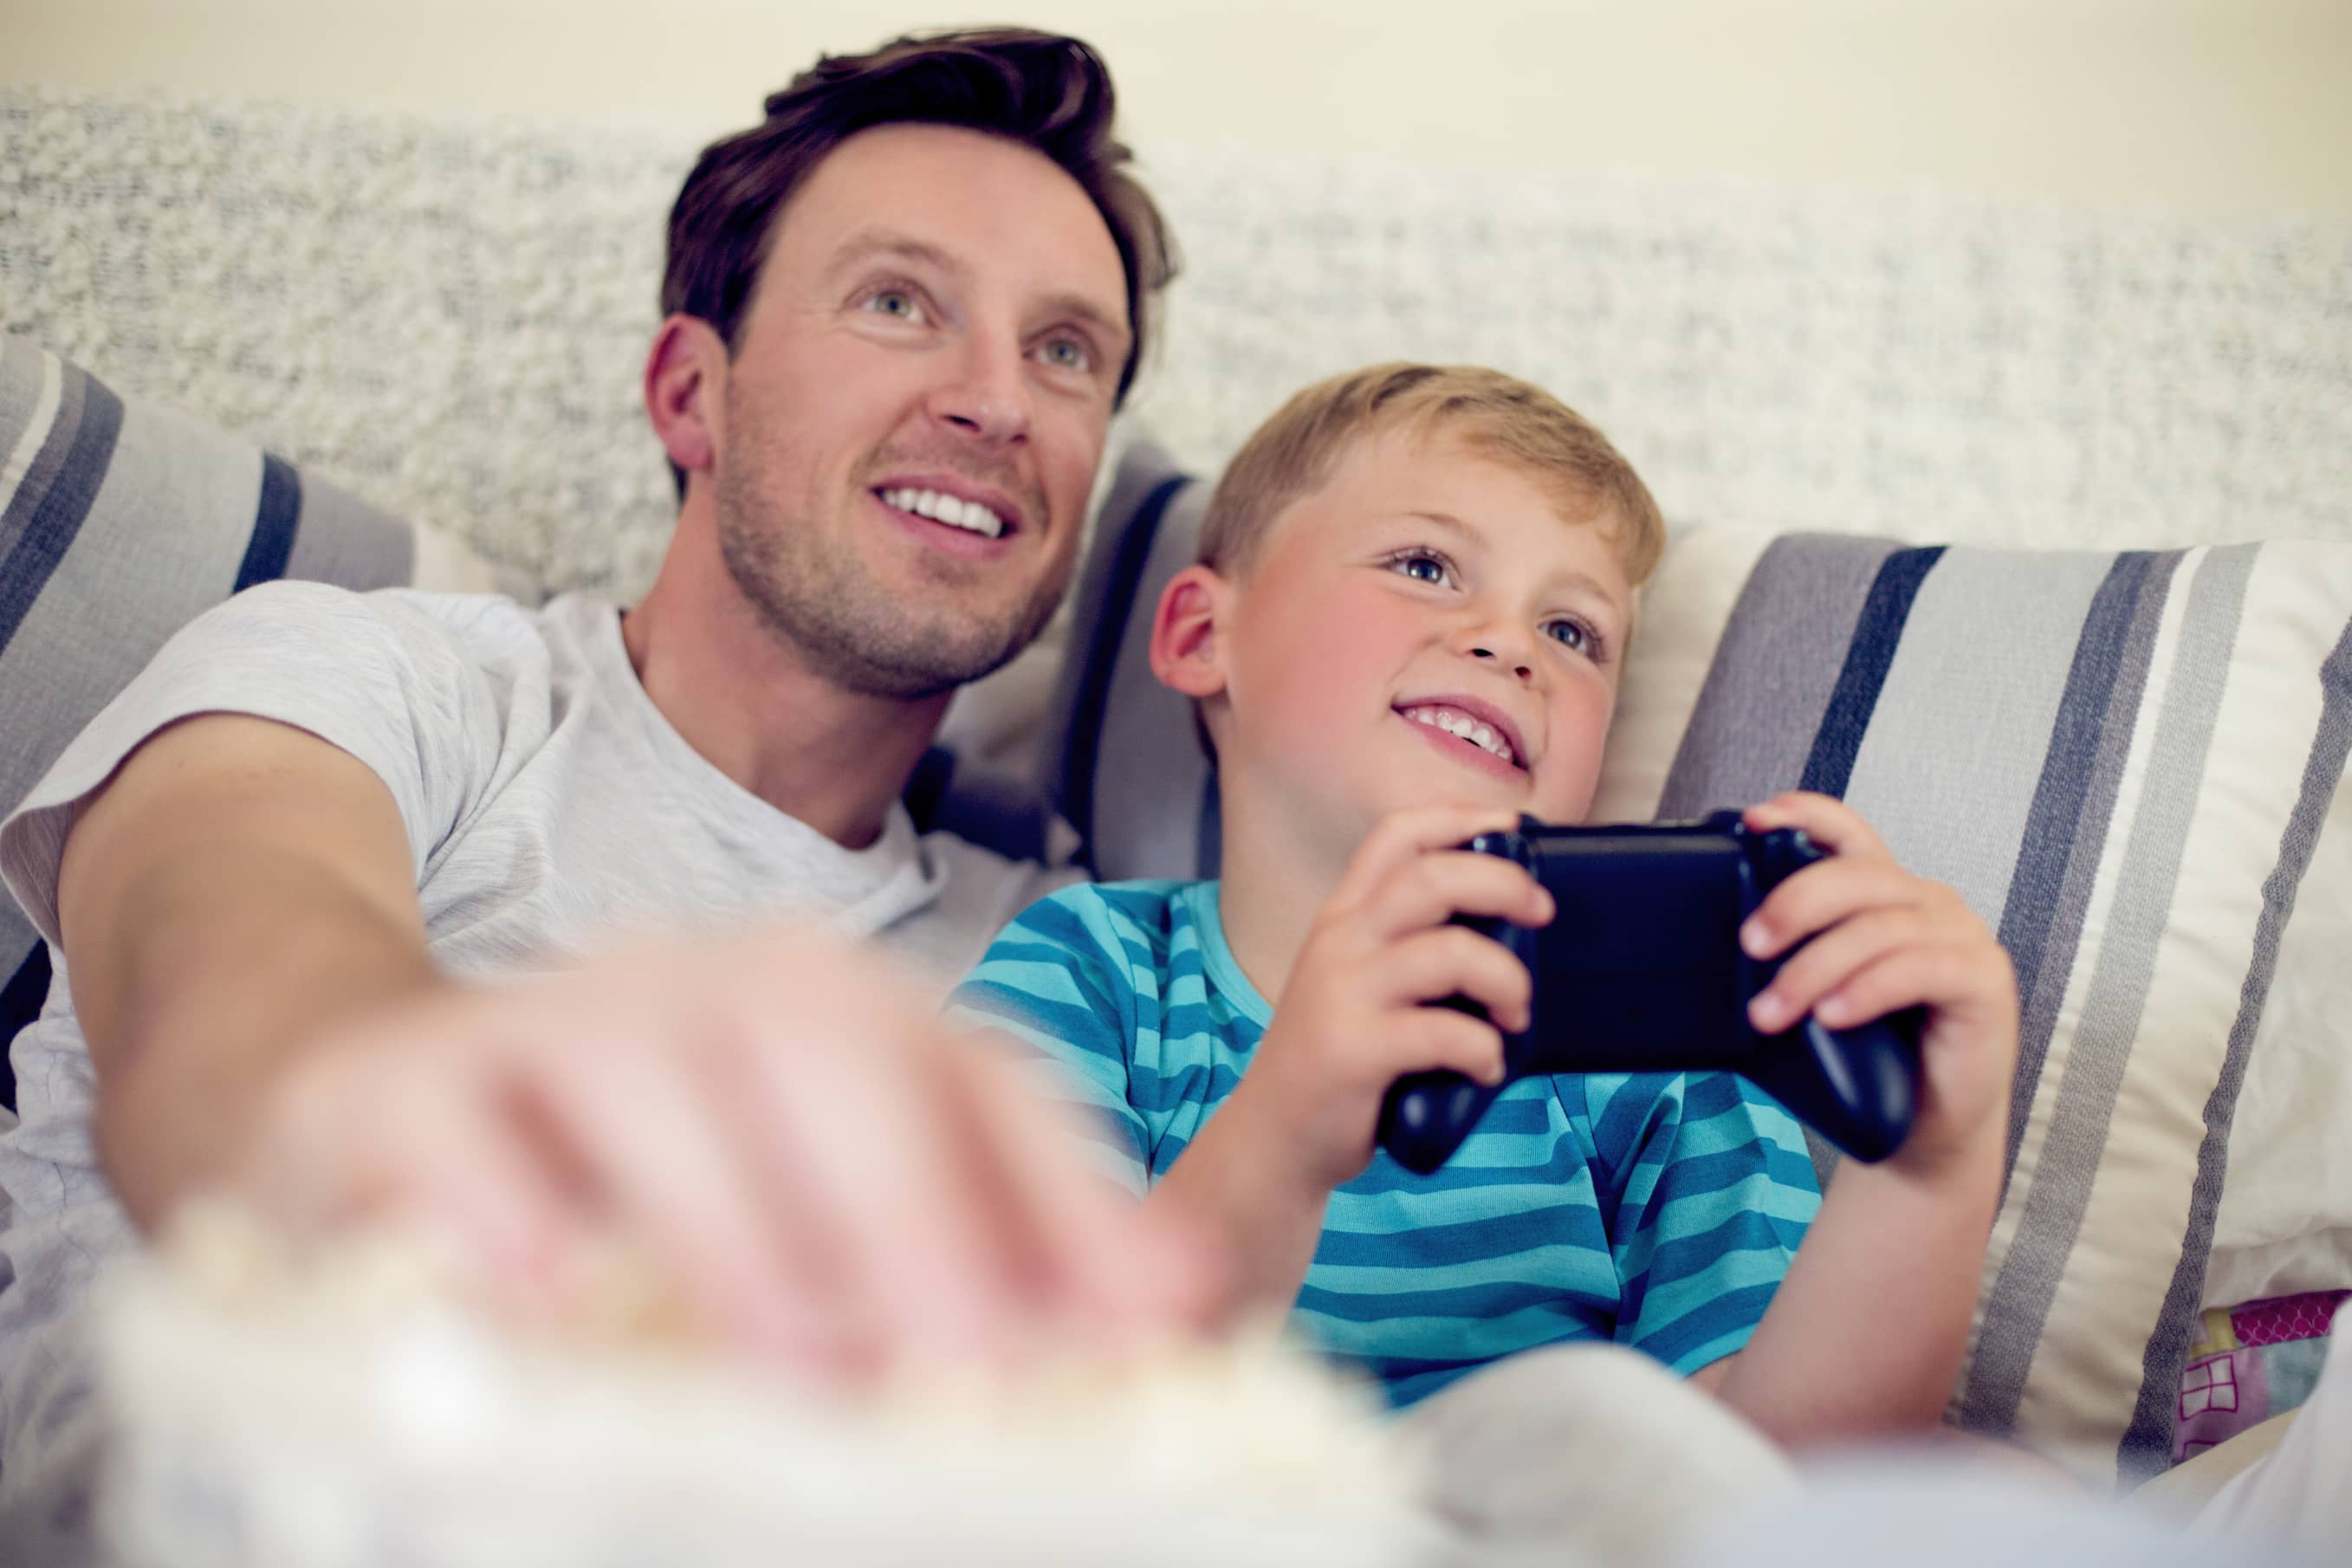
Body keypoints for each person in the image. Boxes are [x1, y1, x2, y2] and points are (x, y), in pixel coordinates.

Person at [0, 27, 1208, 1554]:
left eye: (1066, 351)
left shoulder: (1073, 951)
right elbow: (231, 1012)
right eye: (898, 302)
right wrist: (481, 1130)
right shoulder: (374, 683)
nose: (997, 401)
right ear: (690, 396)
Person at [949, 362, 2022, 1442]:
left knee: (1986, 1490)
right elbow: (1021, 1400)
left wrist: (1928, 1170)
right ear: (1200, 635)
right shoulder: (1084, 967)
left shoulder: (1658, 1045)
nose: (1510, 643)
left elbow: (1776, 1472)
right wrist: (1282, 1130)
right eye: (1425, 564)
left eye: (1573, 633)